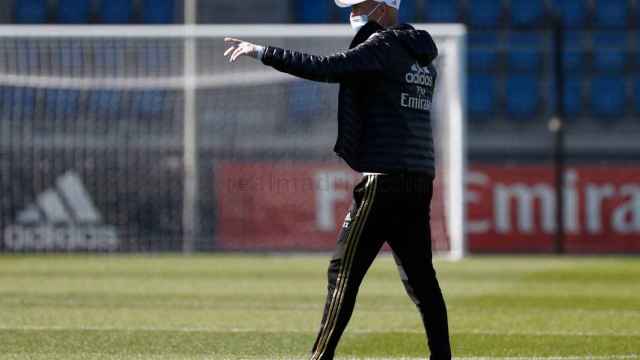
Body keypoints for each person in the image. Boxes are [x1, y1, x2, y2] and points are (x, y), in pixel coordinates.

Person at [223, 0, 452, 359]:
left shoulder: (383, 47)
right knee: (420, 278)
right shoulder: (420, 54)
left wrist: (262, 51)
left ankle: (320, 357)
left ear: (382, 7)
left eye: (359, 6)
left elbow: (327, 68)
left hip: (384, 180)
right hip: (418, 178)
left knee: (342, 271)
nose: (352, 15)